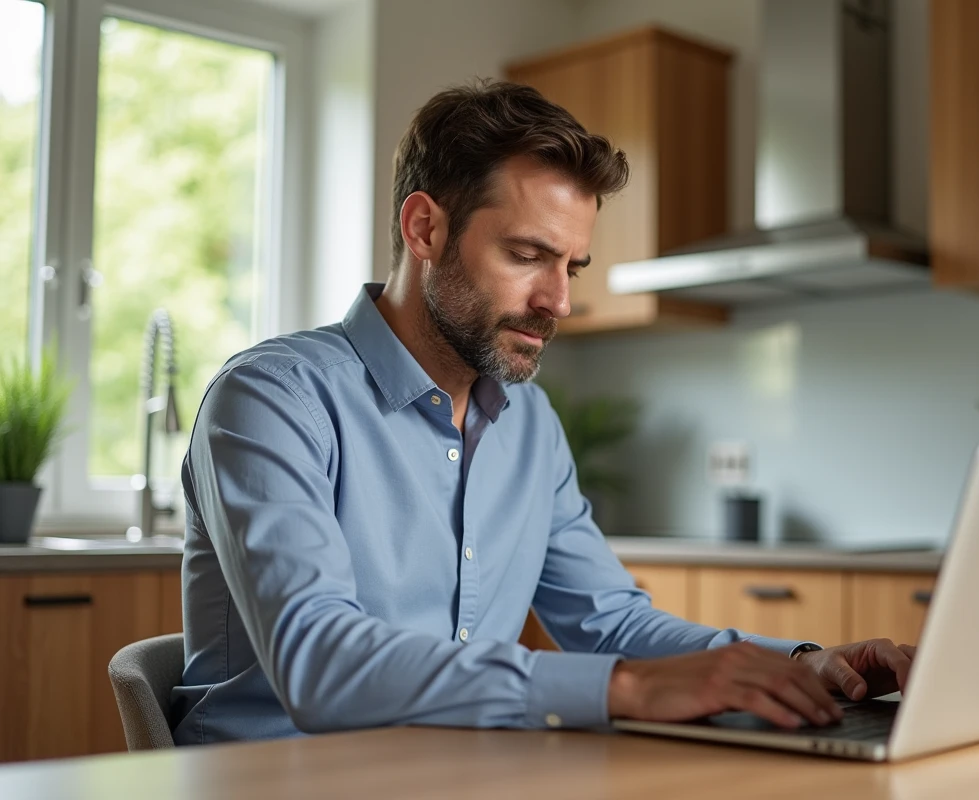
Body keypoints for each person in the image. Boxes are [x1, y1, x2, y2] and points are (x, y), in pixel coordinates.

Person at [171, 80, 916, 745]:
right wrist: (623, 688)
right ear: (424, 229)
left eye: (572, 267)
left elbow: (610, 622)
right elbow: (320, 660)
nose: (559, 301)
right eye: (529, 255)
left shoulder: (528, 424)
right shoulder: (273, 398)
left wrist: (796, 666)